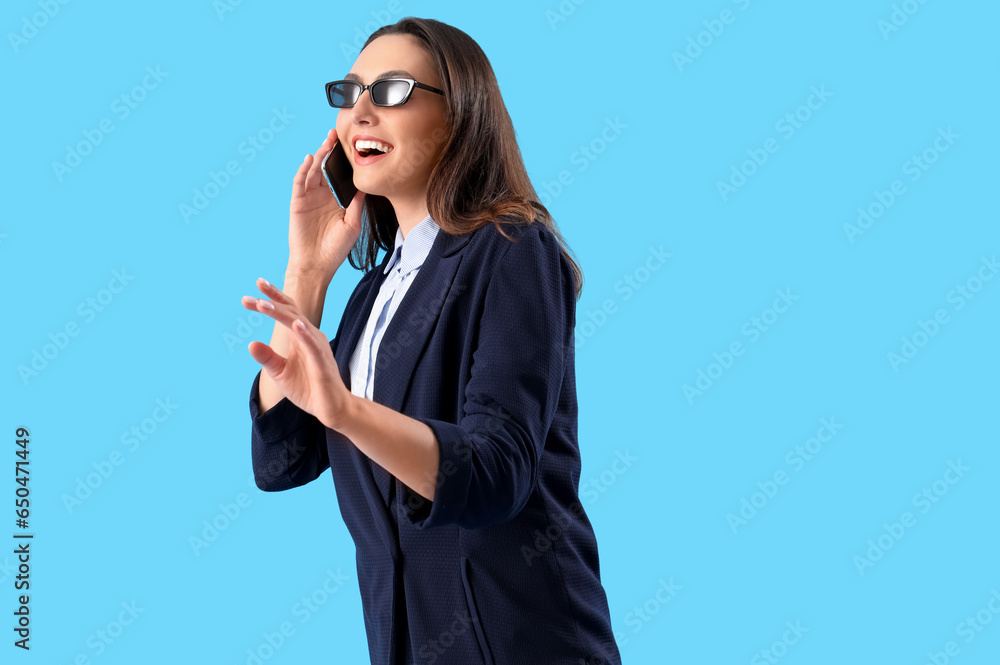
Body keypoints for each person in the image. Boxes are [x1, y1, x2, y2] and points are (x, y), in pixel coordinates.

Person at [242, 17, 621, 665]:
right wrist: (306, 272)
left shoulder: (512, 247)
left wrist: (345, 409)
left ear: (460, 115)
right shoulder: (373, 294)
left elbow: (497, 470)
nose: (360, 111)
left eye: (389, 91)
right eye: (350, 93)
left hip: (525, 642)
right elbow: (281, 461)